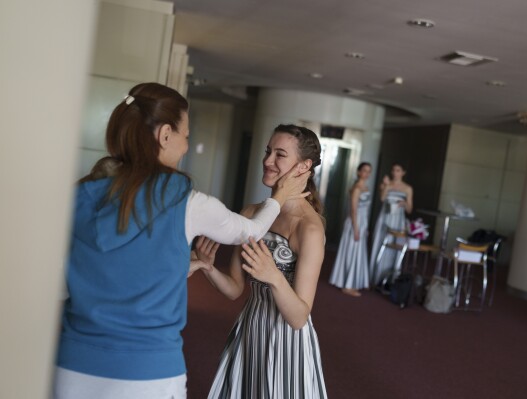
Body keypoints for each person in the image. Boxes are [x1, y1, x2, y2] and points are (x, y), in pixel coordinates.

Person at [53, 83, 309, 399]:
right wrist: (281, 196)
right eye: (186, 136)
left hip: (72, 364)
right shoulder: (187, 202)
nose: (187, 146)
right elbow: (252, 232)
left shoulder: (79, 196)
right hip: (149, 372)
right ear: (164, 136)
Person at [190, 124, 328, 398]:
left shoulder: (309, 228)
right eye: (268, 152)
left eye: (279, 154)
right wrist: (208, 267)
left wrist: (274, 276)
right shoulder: (252, 212)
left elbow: (299, 317)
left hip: (287, 339)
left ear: (304, 166)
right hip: (251, 328)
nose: (267, 161)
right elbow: (234, 289)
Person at [328, 162, 372, 297]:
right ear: (359, 172)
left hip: (362, 222)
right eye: (364, 170)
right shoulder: (356, 188)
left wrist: (365, 227)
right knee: (352, 251)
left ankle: (352, 282)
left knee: (357, 252)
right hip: (355, 222)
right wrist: (356, 228)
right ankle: (347, 285)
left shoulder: (366, 187)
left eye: (369, 171)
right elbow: (353, 210)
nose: (367, 173)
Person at [369, 163, 413, 286]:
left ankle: (391, 280)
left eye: (398, 170)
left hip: (399, 220)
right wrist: (387, 186)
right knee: (380, 243)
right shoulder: (386, 184)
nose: (395, 172)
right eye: (393, 170)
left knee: (396, 247)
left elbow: (410, 209)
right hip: (385, 217)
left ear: (403, 172)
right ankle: (375, 277)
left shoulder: (407, 188)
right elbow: (382, 199)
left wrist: (404, 203)